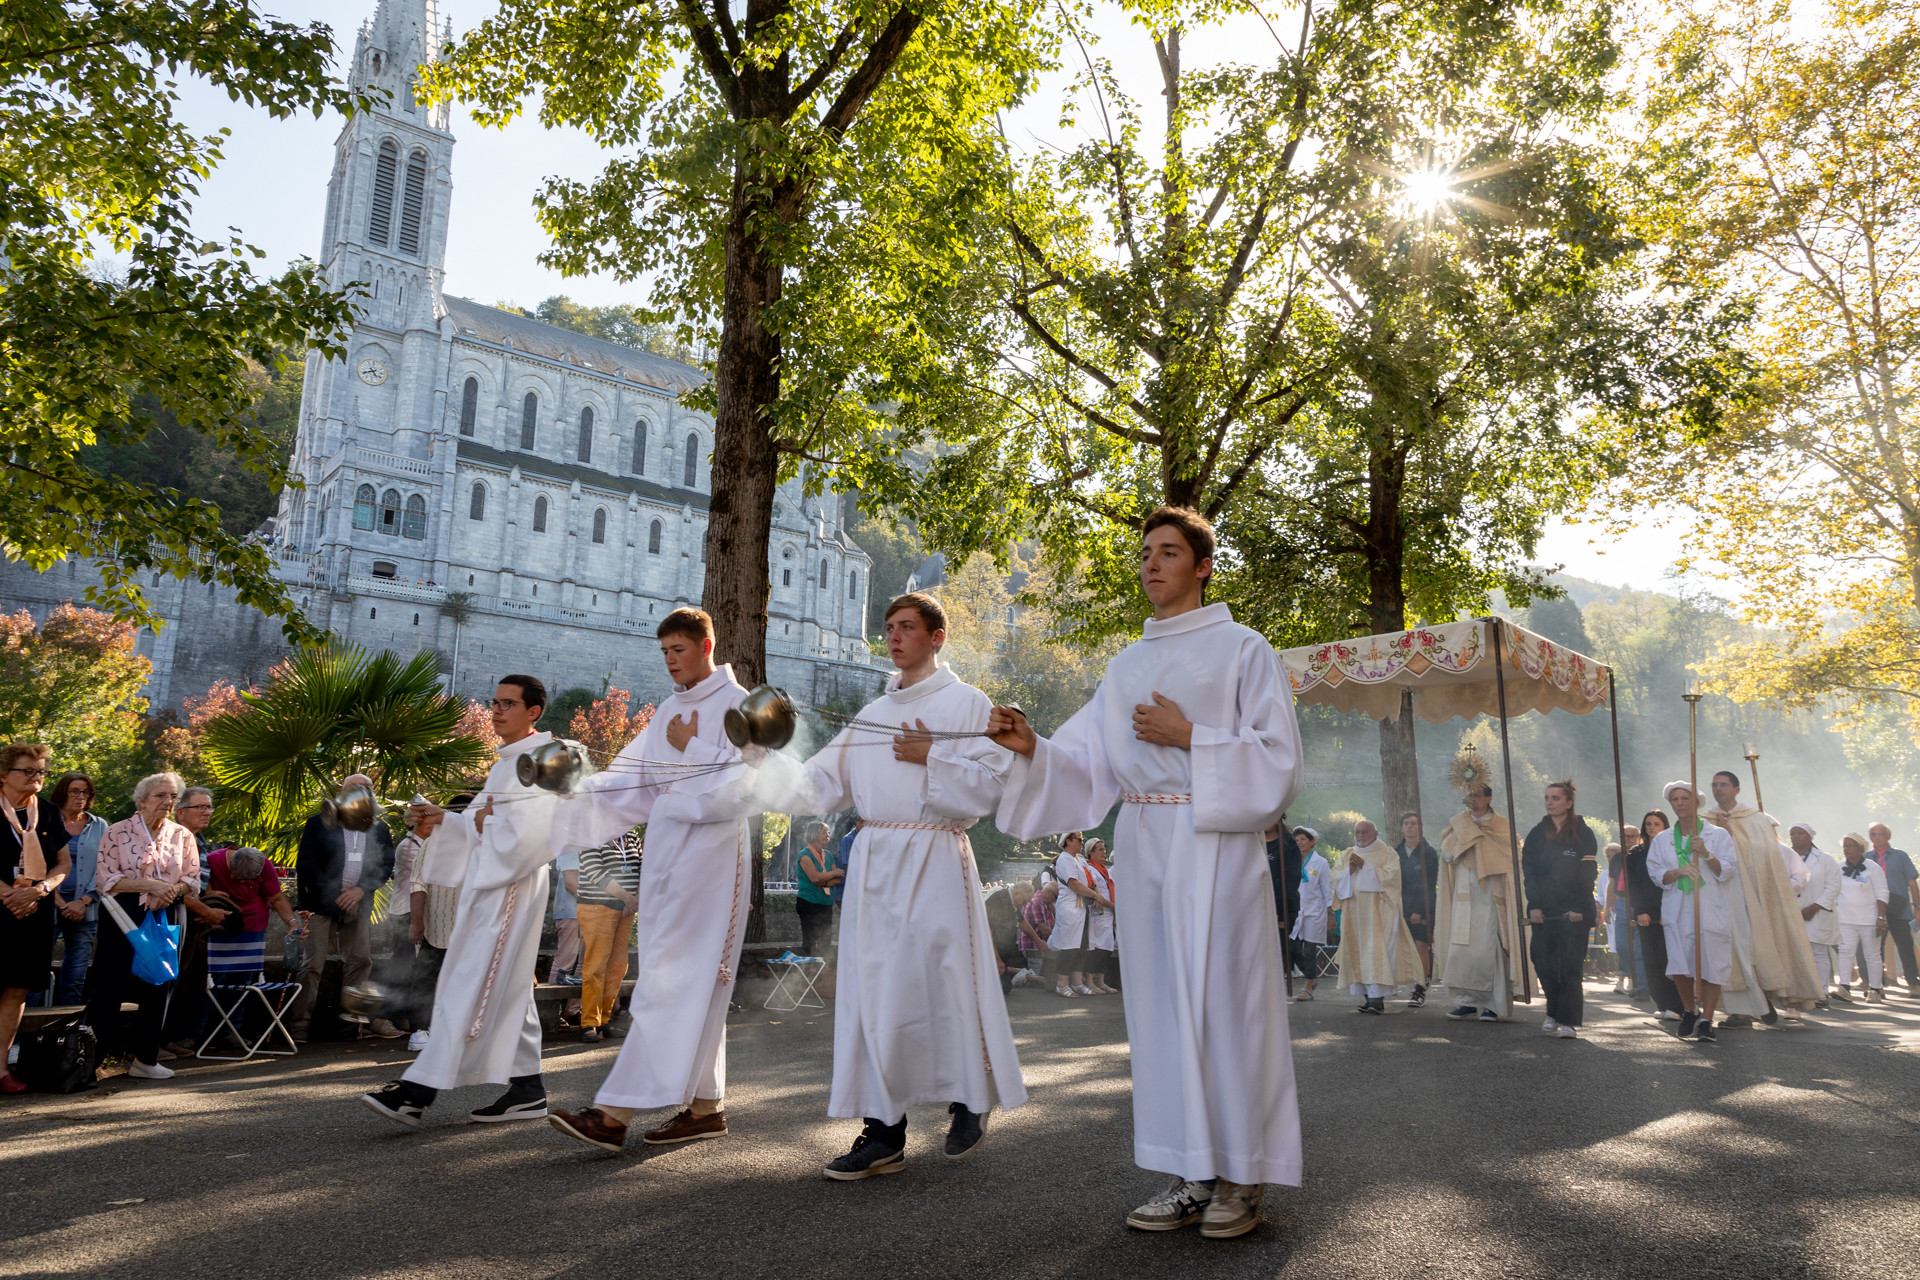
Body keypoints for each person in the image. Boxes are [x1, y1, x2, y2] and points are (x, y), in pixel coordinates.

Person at [990, 507, 1304, 1239]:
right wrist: (1033, 745)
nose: (1152, 564)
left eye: (1169, 552)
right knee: (1161, 1008)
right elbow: (1085, 765)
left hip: (1214, 841)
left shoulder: (1242, 649)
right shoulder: (1124, 666)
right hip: (1143, 842)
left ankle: (1241, 1175)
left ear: (1202, 567)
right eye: (1145, 554)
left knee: (1224, 1001)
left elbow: (1281, 761)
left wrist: (1192, 737)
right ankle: (1190, 1170)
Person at [755, 591, 1020, 1178]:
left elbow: (990, 788)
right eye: (889, 627)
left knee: (945, 978)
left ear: (936, 637)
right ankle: (883, 1131)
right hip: (874, 860)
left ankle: (970, 1098)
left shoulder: (967, 703)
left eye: (907, 627)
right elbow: (817, 786)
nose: (894, 637)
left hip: (934, 854)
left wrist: (932, 757)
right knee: (873, 990)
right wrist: (762, 755)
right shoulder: (873, 713)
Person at [543, 609, 764, 1153]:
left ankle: (613, 1113)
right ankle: (705, 1108)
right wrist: (582, 791)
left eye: (679, 650)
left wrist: (692, 747)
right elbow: (629, 777)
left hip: (713, 857)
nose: (670, 661)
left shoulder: (741, 704)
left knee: (677, 982)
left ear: (707, 645)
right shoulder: (668, 707)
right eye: (663, 651)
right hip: (666, 851)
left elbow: (752, 784)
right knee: (682, 977)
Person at [363, 676, 561, 1127]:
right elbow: (479, 824)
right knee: (507, 990)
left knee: (466, 982)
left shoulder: (543, 760)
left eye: (508, 703)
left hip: (510, 888)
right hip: (491, 887)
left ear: (534, 712)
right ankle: (528, 1090)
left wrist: (482, 822)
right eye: (494, 702)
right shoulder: (505, 764)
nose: (496, 710)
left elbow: (534, 838)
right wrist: (444, 819)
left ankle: (417, 1092)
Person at [87, 771, 198, 1079]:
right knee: (110, 982)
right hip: (125, 912)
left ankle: (146, 1058)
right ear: (142, 800)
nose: (168, 802)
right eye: (160, 795)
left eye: (173, 796)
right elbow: (105, 878)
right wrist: (149, 886)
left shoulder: (182, 834)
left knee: (161, 981)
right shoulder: (118, 831)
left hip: (170, 911)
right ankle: (91, 1060)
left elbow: (192, 878)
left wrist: (171, 890)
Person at [1646, 780, 1764, 1042]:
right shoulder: (1663, 839)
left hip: (1710, 908)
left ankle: (1707, 1020)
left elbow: (1728, 870)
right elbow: (1654, 874)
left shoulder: (1717, 835)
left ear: (1696, 802)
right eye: (1675, 800)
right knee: (1679, 965)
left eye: (1685, 798)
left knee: (1712, 964)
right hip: (1677, 909)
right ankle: (1690, 1009)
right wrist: (1678, 872)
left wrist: (1707, 853)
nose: (1680, 804)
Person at [288, 773, 397, 1042]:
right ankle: (299, 1024)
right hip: (320, 904)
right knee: (313, 963)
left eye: (367, 788)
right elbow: (307, 865)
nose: (361, 792)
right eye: (354, 788)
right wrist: (337, 893)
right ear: (341, 792)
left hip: (359, 903)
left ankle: (352, 1025)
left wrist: (360, 890)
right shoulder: (318, 823)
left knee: (361, 960)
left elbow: (385, 865)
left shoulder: (379, 828)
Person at [1706, 770, 1822, 1021]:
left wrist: (1730, 832)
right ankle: (1738, 1009)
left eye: (1723, 784)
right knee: (1727, 950)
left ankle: (1762, 998)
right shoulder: (1704, 818)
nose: (1718, 789)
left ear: (1737, 789)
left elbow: (1762, 856)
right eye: (1714, 785)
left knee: (1754, 946)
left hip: (1751, 894)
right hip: (1716, 895)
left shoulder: (1754, 819)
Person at [0, 745, 73, 1093]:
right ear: (3, 774)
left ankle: (0, 1068)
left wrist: (40, 890)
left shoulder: (47, 811)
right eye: (28, 771)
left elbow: (63, 864)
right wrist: (9, 894)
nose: (36, 777)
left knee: (17, 990)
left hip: (34, 911)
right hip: (3, 905)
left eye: (41, 771)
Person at [1435, 783, 1524, 1023]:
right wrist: (1465, 836)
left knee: (1488, 950)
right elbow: (1446, 854)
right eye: (1468, 796)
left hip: (1490, 897)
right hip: (1464, 896)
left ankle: (1492, 1005)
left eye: (1476, 795)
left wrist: (1478, 840)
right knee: (1462, 950)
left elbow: (1511, 858)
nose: (1471, 800)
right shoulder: (1458, 825)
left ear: (1488, 798)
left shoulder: (1503, 827)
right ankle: (1466, 1001)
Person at [1521, 781, 1598, 1040]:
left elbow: (1588, 873)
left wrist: (1576, 908)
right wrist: (1535, 905)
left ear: (1569, 802)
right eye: (1547, 798)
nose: (1550, 802)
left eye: (1555, 798)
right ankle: (1552, 1011)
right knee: (1542, 962)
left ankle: (1567, 1020)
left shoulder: (1584, 833)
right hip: (1544, 910)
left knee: (1569, 966)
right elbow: (1529, 872)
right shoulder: (1536, 833)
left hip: (1574, 912)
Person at [403, 793, 470, 1053]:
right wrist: (416, 922)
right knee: (424, 976)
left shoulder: (484, 843)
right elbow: (418, 883)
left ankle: (459, 1031)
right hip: (437, 926)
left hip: (471, 927)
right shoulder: (433, 844)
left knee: (466, 979)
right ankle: (420, 1030)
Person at [1334, 818, 1421, 1014]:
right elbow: (1334, 879)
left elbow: (1392, 879)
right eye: (1357, 832)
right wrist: (1349, 870)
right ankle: (1368, 997)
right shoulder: (1348, 853)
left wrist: (1366, 867)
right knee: (1358, 953)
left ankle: (1377, 999)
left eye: (1365, 832)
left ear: (1375, 833)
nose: (1360, 836)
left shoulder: (1387, 852)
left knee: (1376, 952)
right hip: (1354, 914)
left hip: (1379, 915)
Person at [572, 827, 642, 1043]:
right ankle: (588, 1023)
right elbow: (595, 872)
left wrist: (636, 896)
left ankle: (604, 1019)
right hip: (597, 907)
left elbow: (643, 869)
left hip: (625, 909)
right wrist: (628, 898)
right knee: (596, 965)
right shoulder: (591, 833)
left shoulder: (632, 836)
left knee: (618, 966)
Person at [47, 772, 106, 1007]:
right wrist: (59, 901)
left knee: (76, 975)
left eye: (86, 792)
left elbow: (105, 866)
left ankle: (64, 1034)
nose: (81, 796)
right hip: (48, 903)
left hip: (86, 908)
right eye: (75, 791)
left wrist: (83, 901)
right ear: (63, 792)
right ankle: (27, 1036)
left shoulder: (99, 825)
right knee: (35, 972)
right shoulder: (46, 821)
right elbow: (36, 862)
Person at [1625, 811, 1685, 1021]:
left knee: (1668, 958)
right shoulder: (1635, 853)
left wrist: (1664, 911)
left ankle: (1677, 1005)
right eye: (1648, 823)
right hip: (1645, 911)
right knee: (1650, 959)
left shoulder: (1673, 850)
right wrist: (1640, 910)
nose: (1652, 827)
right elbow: (1633, 884)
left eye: (1657, 823)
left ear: (1665, 826)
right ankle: (1661, 1003)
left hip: (1670, 909)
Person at [1788, 823, 1842, 1006]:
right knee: (1795, 952)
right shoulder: (1783, 857)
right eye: (1792, 834)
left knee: (1818, 951)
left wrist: (1814, 907)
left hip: (1818, 913)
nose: (1795, 836)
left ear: (1810, 837)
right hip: (1791, 911)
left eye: (1800, 833)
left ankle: (1821, 991)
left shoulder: (1825, 859)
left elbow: (1834, 886)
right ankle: (1799, 991)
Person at [1864, 824, 1920, 991]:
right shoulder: (1866, 858)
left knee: (1905, 946)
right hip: (1875, 909)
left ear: (1888, 836)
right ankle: (1877, 985)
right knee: (1875, 948)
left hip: (1899, 908)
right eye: (1874, 834)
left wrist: (1917, 907)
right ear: (1870, 837)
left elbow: (1912, 883)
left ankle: (1914, 983)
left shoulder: (1900, 856)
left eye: (1881, 834)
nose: (1878, 837)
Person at [1836, 834, 1889, 1001]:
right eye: (1845, 845)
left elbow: (1882, 892)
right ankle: (1844, 987)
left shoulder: (1873, 868)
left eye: (1851, 845)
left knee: (1872, 954)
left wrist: (1880, 916)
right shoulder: (1838, 868)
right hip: (1845, 919)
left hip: (1869, 920)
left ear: (1860, 848)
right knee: (1845, 952)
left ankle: (1875, 989)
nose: (1846, 848)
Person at [1394, 812, 1439, 1008]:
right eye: (1407, 824)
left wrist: (1419, 910)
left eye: (1414, 824)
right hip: (1401, 905)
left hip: (1423, 907)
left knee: (1422, 945)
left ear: (1419, 827)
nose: (1410, 827)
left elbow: (1429, 883)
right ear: (1402, 827)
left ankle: (1420, 987)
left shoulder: (1428, 853)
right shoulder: (1396, 852)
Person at [1048, 832, 1097, 998]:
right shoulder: (1064, 859)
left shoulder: (1079, 860)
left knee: (1081, 945)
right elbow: (1074, 884)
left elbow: (1090, 880)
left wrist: (1094, 891)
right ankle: (1062, 984)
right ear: (1068, 841)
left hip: (1082, 907)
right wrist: (1095, 895)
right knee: (1069, 946)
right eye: (1079, 840)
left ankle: (1077, 982)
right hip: (1070, 907)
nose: (1082, 843)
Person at [1289, 831, 1333, 1002]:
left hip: (1315, 912)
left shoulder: (1320, 863)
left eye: (1302, 840)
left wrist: (1330, 914)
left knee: (1309, 951)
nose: (1299, 843)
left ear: (1312, 842)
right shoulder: (1292, 860)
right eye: (1297, 840)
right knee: (1292, 948)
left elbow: (1326, 890)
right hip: (1296, 911)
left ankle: (1308, 986)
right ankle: (1311, 976)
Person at [796, 821, 842, 960]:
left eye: (828, 832)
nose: (828, 835)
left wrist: (824, 882)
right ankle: (807, 974)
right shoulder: (804, 855)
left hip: (826, 904)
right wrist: (833, 874)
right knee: (810, 942)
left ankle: (822, 974)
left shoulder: (828, 855)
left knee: (825, 942)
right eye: (824, 832)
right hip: (808, 902)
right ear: (814, 834)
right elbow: (815, 878)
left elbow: (838, 879)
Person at [1606, 825, 1643, 995]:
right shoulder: (1617, 858)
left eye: (1631, 836)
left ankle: (1641, 985)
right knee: (1621, 945)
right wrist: (1607, 908)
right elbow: (1611, 884)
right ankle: (1634, 976)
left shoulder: (1643, 854)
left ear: (1638, 837)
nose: (1628, 840)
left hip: (1639, 903)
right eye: (1625, 836)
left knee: (1639, 947)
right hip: (1621, 903)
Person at [983, 878, 1037, 991]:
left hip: (1003, 954)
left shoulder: (1013, 902)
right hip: (990, 954)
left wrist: (1039, 942)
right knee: (1002, 987)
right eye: (1024, 901)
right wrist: (997, 960)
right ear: (1017, 893)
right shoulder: (999, 900)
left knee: (1006, 986)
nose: (1024, 905)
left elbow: (1022, 922)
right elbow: (988, 933)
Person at [1083, 838, 1118, 995]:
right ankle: (1090, 982)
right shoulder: (1090, 869)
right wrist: (1113, 907)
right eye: (1100, 850)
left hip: (1108, 913)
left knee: (1107, 946)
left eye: (1105, 849)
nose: (1104, 852)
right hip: (1099, 912)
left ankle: (1101, 981)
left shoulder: (1104, 870)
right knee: (1097, 947)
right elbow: (1096, 895)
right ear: (1091, 853)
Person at [549, 847, 582, 986]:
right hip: (570, 912)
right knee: (564, 962)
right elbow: (571, 884)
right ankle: (550, 1007)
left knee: (586, 964)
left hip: (589, 912)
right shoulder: (571, 845)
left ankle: (574, 1008)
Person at [1019, 881, 1056, 979]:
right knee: (1037, 979)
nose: (1055, 900)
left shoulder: (1045, 901)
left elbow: (1052, 922)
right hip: (1032, 946)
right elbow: (1044, 929)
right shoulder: (1037, 902)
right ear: (1048, 892)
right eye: (1055, 897)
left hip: (1039, 944)